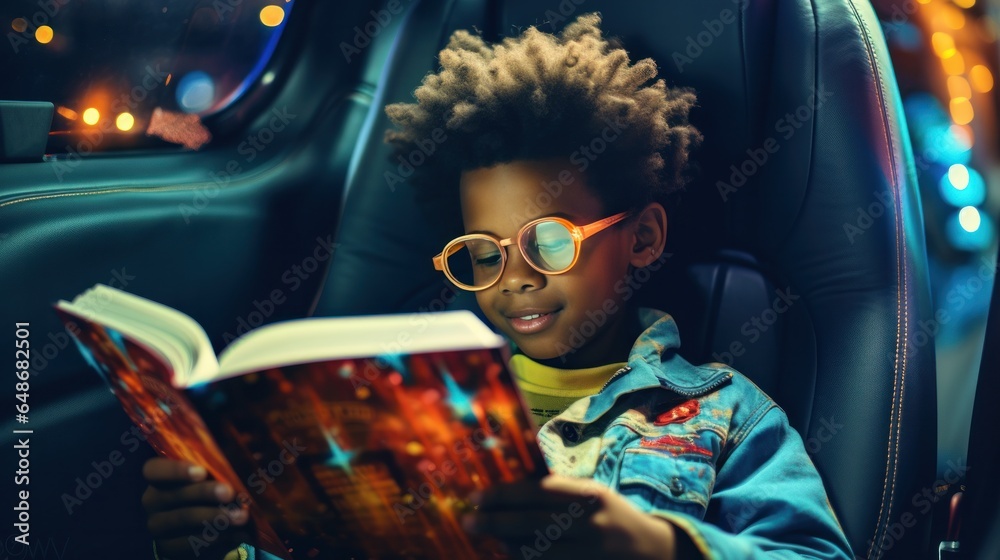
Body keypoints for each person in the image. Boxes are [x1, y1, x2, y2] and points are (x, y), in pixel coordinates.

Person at [142, 13, 854, 560]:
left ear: (643, 238)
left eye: (549, 240)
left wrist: (658, 547)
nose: (515, 276)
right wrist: (223, 538)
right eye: (481, 255)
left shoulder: (726, 416)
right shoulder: (403, 412)